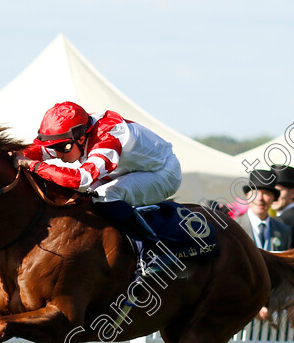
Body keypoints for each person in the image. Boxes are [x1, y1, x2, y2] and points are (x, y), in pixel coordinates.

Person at [15, 101, 182, 243]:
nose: (57, 154)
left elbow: (81, 180)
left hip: (164, 172)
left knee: (104, 195)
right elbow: (35, 152)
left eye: (62, 147)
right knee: (81, 196)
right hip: (126, 170)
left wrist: (35, 166)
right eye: (52, 147)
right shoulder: (76, 135)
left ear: (80, 138)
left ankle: (152, 247)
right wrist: (13, 154)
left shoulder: (107, 137)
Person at [234, 169, 291, 252]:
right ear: (247, 196)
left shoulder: (283, 231)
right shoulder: (234, 227)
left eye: (266, 193)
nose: (260, 198)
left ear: (273, 198)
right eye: (255, 193)